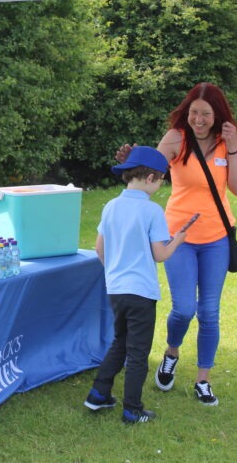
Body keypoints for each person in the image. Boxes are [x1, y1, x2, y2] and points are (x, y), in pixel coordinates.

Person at [115, 82, 237, 407]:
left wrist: (232, 147)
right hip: (179, 237)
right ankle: (171, 353)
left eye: (205, 114)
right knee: (185, 308)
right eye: (193, 112)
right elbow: (150, 172)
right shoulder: (176, 138)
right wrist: (131, 162)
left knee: (209, 312)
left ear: (217, 115)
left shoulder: (225, 143)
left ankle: (203, 379)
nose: (198, 119)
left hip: (216, 237)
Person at [84, 146, 188, 424]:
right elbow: (160, 254)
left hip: (116, 290)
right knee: (138, 352)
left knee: (120, 341)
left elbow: (99, 248)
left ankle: (98, 394)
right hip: (141, 291)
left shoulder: (110, 206)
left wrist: (114, 273)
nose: (161, 185)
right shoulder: (152, 211)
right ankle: (132, 408)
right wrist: (179, 238)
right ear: (151, 178)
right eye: (162, 180)